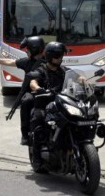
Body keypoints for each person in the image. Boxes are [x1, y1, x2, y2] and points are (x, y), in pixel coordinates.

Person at [0, 36, 46, 145]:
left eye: (28, 49)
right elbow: (10, 61)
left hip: (47, 92)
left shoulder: (48, 62)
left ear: (33, 49)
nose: (27, 51)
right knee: (26, 102)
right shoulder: (27, 62)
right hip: (31, 92)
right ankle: (25, 134)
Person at [28, 41, 69, 169]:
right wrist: (38, 88)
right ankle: (37, 157)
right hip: (44, 103)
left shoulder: (63, 71)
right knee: (39, 122)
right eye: (58, 56)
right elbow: (33, 82)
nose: (60, 58)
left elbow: (75, 77)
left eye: (61, 56)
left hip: (61, 103)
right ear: (50, 56)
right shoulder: (41, 70)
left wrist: (83, 80)